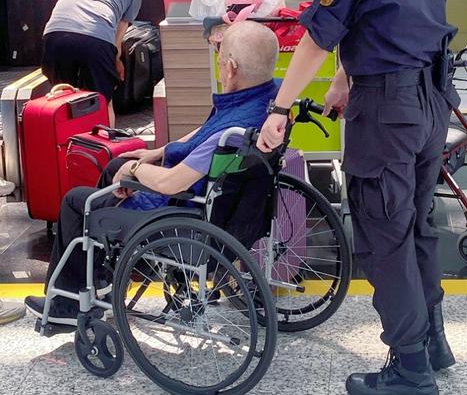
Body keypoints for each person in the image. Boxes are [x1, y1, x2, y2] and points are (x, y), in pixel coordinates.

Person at [256, 0, 458, 395]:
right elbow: (395, 20)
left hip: (387, 111)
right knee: (417, 222)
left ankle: (410, 368)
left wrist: (279, 107)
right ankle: (433, 340)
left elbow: (317, 38)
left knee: (381, 232)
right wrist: (348, 76)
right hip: (430, 101)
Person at [25, 22, 280, 325]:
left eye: (220, 58)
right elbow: (204, 133)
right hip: (225, 206)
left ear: (232, 68)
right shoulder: (267, 103)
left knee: (77, 201)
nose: (219, 63)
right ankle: (101, 276)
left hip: (182, 213)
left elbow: (172, 183)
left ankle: (64, 308)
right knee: (111, 167)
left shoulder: (228, 133)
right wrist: (156, 153)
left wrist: (132, 170)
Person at [41, 0, 147, 127]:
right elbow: (117, 40)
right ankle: (103, 149)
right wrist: (116, 62)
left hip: (55, 34)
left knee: (62, 97)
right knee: (101, 102)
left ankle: (63, 147)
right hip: (96, 38)